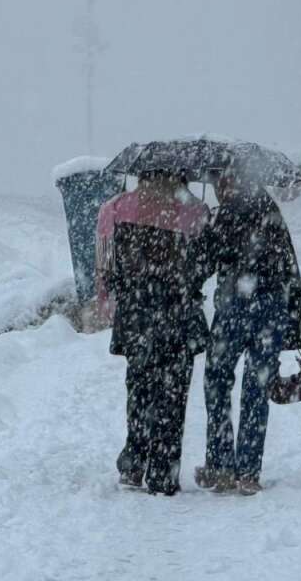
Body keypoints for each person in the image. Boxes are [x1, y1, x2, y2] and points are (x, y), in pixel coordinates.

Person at [95, 169, 209, 495]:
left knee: (140, 392)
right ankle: (163, 473)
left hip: (137, 316)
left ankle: (133, 465)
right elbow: (203, 266)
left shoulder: (115, 208)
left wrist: (111, 300)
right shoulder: (195, 212)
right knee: (173, 397)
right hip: (179, 318)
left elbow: (105, 266)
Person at [194, 164, 301, 495]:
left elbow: (204, 263)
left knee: (217, 382)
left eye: (219, 181)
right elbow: (291, 269)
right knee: (257, 388)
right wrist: (293, 322)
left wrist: (204, 229)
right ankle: (248, 472)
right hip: (271, 310)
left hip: (233, 308)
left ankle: (220, 466)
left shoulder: (224, 215)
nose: (217, 188)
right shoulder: (270, 210)